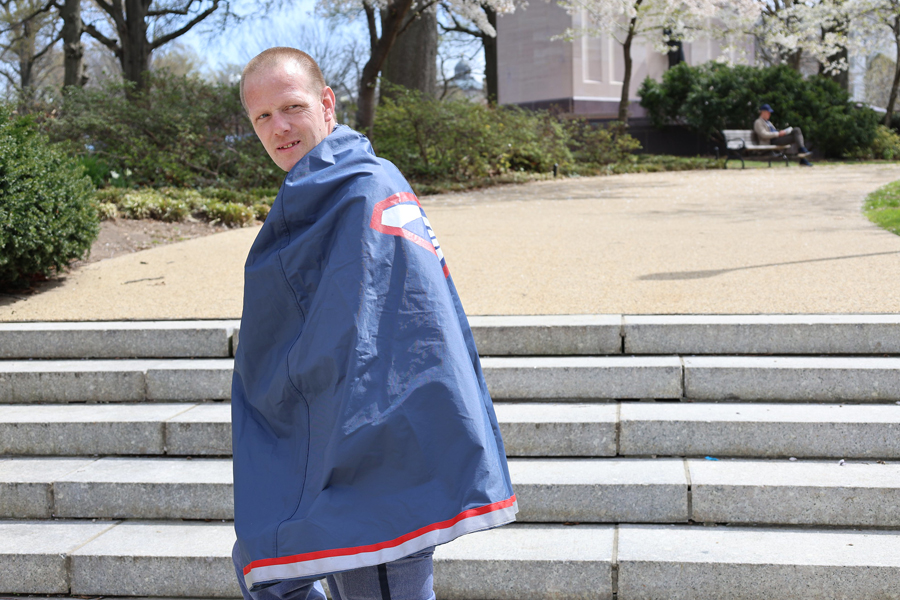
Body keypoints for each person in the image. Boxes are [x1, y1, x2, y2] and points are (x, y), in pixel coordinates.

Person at [230, 47, 517, 600]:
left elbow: (380, 330)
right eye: (262, 117)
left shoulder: (360, 188)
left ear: (327, 103)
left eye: (291, 106)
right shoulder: (330, 188)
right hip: (352, 445)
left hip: (379, 451)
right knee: (262, 564)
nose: (279, 127)